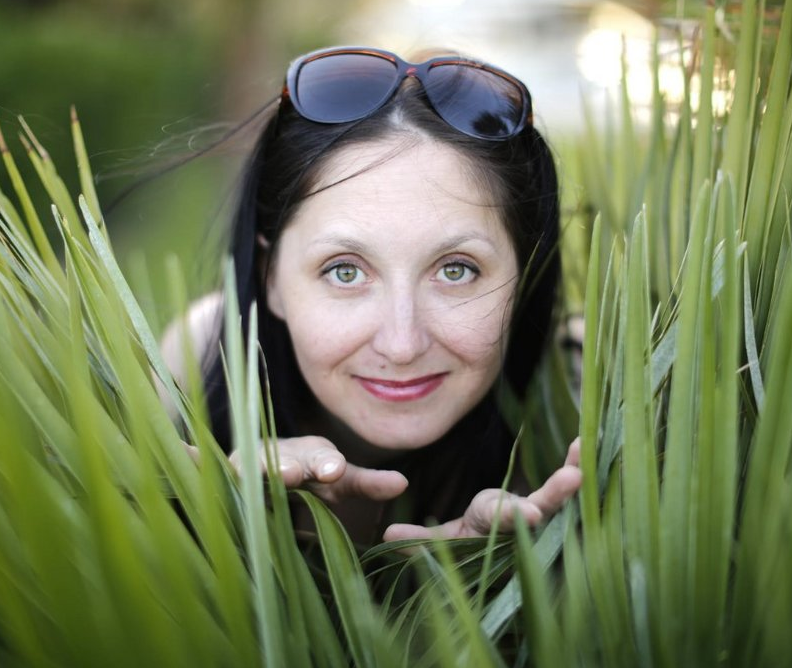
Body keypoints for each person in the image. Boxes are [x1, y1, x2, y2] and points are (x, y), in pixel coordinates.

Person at [161, 46, 582, 546]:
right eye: (344, 272)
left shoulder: (582, 392)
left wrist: (515, 571)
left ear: (526, 272)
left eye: (455, 270)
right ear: (270, 277)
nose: (402, 345)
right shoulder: (201, 358)